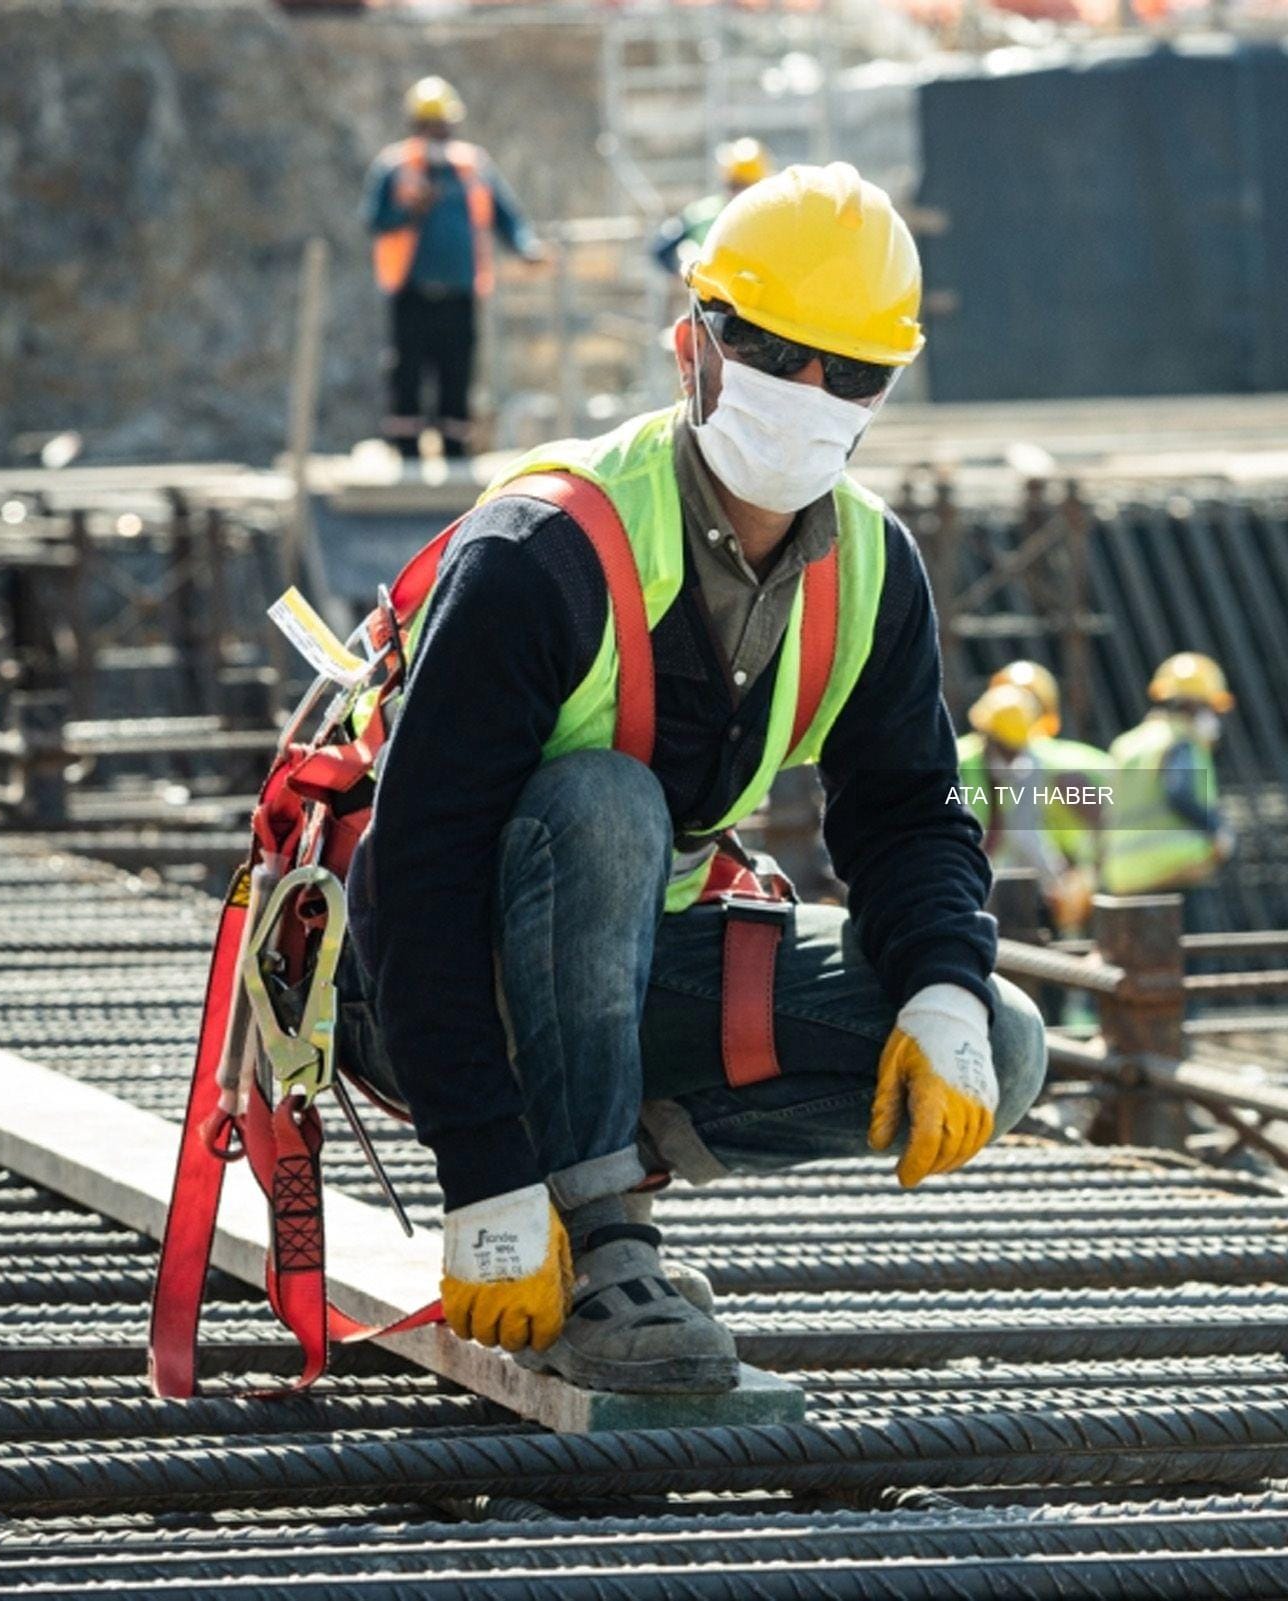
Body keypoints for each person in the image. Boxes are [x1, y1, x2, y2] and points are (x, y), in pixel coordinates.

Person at [340, 163, 1047, 1396]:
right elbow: (414, 874)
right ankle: (602, 1231)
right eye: (769, 348)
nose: (806, 390)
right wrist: (484, 1172)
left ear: (886, 387)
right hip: (425, 989)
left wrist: (943, 987)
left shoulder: (873, 571)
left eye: (849, 369)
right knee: (606, 801)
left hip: (618, 974)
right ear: (691, 347)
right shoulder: (543, 553)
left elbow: (911, 812)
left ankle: (591, 1162)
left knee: (1004, 1036)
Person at [365, 76, 544, 460]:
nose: (437, 132)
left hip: (461, 290)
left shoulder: (473, 166)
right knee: (407, 370)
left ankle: (454, 447)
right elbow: (375, 219)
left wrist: (525, 246)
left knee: (457, 371)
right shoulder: (395, 167)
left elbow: (505, 215)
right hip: (411, 290)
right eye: (429, 125)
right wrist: (411, 210)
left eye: (442, 124)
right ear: (415, 125)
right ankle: (407, 449)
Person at [956, 681, 1103, 933]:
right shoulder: (958, 763)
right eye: (1006, 748)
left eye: (1016, 749)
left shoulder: (1027, 765)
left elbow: (1025, 832)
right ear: (987, 736)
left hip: (1004, 871)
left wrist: (1056, 881)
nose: (1012, 756)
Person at [1104, 653, 1235, 923]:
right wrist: (1218, 829)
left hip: (1124, 876)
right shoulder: (1181, 741)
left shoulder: (1126, 745)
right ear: (1195, 705)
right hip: (1175, 873)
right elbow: (1179, 791)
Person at [652, 138, 774, 280]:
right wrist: (687, 272)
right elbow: (662, 248)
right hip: (713, 287)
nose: (740, 194)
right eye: (736, 186)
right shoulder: (703, 214)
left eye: (746, 186)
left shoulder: (771, 216)